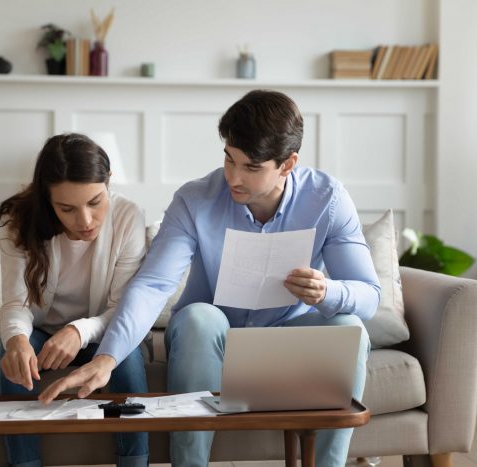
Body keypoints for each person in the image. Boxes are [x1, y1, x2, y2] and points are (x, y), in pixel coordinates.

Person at [39, 91, 380, 467]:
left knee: (350, 327)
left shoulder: (327, 199)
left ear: (287, 164)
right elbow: (153, 285)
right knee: (199, 317)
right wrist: (106, 357)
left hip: (289, 340)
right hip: (211, 340)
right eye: (228, 159)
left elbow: (369, 297)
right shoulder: (195, 199)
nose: (233, 177)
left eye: (251, 167)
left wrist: (327, 290)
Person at [0, 133, 149, 467]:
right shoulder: (18, 222)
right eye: (67, 209)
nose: (86, 221)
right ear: (48, 202)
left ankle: (135, 463)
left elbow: (122, 309)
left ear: (108, 182)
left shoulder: (128, 217)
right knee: (12, 356)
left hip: (100, 329)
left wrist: (78, 331)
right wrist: (17, 340)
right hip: (40, 329)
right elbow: (16, 304)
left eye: (95, 202)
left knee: (128, 356)